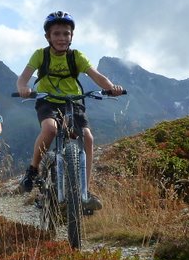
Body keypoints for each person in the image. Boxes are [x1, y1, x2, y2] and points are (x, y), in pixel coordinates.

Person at [16, 11, 123, 211]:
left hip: (74, 102)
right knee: (50, 130)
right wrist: (23, 88)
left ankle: (85, 192)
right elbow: (23, 78)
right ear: (48, 37)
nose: (62, 38)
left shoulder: (77, 57)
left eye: (66, 34)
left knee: (87, 138)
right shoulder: (41, 55)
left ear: (71, 36)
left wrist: (111, 87)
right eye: (56, 34)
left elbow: (97, 76)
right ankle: (32, 170)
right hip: (46, 100)